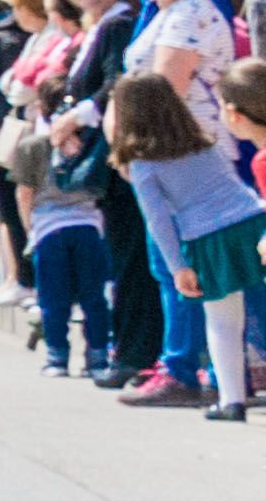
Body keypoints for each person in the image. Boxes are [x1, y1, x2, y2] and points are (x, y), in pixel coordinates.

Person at [108, 65, 264, 420]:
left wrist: (178, 267)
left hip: (209, 239)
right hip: (251, 223)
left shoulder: (144, 164)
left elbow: (158, 221)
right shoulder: (204, 143)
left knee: (223, 321)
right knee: (262, 312)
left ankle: (231, 401)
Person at [18, 110, 115, 379]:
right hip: (89, 224)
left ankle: (57, 357)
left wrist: (30, 229)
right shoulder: (92, 143)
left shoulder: (34, 146)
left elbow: (25, 192)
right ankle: (97, 357)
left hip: (48, 227)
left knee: (52, 297)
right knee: (93, 296)